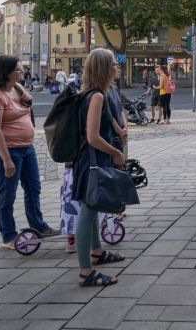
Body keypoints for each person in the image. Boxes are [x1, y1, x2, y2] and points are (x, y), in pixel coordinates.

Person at [0, 56, 56, 249]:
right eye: (17, 69)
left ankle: (38, 227)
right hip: (7, 151)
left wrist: (24, 93)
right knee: (8, 194)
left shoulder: (15, 88)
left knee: (33, 188)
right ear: (5, 72)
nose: (21, 72)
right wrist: (6, 159)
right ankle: (8, 235)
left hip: (27, 148)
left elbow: (26, 99)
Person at [73, 48, 125, 287]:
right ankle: (86, 271)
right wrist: (116, 153)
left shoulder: (92, 94)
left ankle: (96, 252)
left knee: (91, 208)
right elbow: (93, 137)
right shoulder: (96, 97)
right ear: (105, 68)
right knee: (87, 212)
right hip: (92, 160)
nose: (117, 67)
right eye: (114, 63)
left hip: (90, 159)